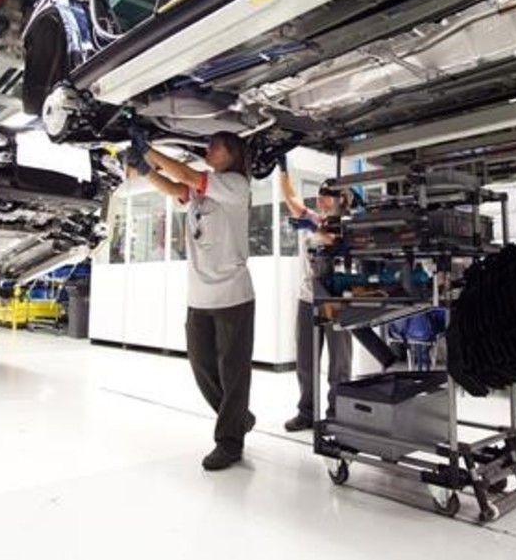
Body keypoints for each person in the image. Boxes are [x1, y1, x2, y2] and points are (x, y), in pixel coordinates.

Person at [130, 130, 256, 471]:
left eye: (215, 145)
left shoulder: (236, 186)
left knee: (233, 373)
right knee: (201, 366)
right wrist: (143, 169)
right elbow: (175, 188)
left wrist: (149, 150)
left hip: (233, 296)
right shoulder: (205, 190)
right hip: (199, 296)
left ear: (232, 153)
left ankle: (229, 443)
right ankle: (238, 417)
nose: (207, 148)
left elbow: (186, 175)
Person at [279, 159, 353, 432]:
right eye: (320, 195)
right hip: (308, 298)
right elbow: (291, 198)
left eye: (328, 196)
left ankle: (337, 413)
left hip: (336, 300)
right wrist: (283, 170)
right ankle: (307, 412)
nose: (321, 200)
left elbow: (334, 241)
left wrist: (314, 230)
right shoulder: (314, 219)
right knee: (305, 359)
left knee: (339, 362)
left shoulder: (347, 224)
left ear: (342, 200)